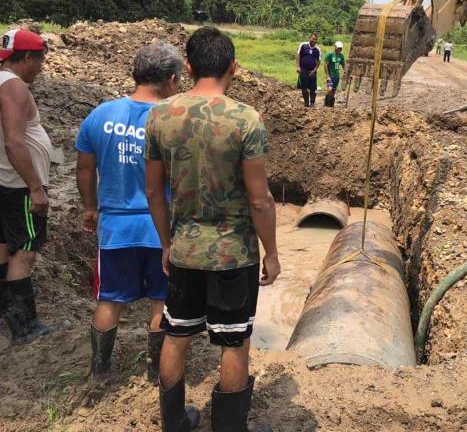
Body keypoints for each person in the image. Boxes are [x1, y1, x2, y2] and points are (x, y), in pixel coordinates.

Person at [145, 27, 280, 431]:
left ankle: (174, 423)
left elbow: (154, 191)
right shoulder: (246, 119)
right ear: (233, 67)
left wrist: (167, 244)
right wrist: (271, 252)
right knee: (234, 340)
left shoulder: (160, 115)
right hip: (234, 255)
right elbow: (260, 199)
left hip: (185, 248)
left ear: (187, 67)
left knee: (176, 334)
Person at [75, 43, 182, 379]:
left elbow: (84, 169)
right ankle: (156, 371)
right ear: (170, 79)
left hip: (115, 230)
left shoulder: (100, 115)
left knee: (109, 300)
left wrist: (91, 207)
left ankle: (100, 370)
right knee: (160, 301)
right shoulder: (173, 121)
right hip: (160, 231)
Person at [0, 29, 51, 344]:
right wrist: (35, 187)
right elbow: (14, 141)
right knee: (26, 251)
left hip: (2, 181)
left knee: (3, 246)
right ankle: (24, 327)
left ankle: (5, 313)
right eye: (41, 59)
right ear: (28, 57)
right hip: (18, 185)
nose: (42, 67)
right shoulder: (14, 87)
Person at [295, 33, 320, 107]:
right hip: (303, 70)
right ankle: (306, 103)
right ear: (310, 38)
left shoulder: (317, 49)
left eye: (315, 39)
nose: (314, 40)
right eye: (313, 38)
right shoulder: (303, 45)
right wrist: (298, 67)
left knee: (313, 89)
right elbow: (298, 55)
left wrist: (314, 70)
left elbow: (319, 61)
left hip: (312, 71)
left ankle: (312, 103)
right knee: (304, 88)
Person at [323, 41, 346, 107]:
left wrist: (345, 71)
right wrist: (327, 75)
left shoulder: (341, 56)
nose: (339, 49)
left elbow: (343, 64)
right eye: (338, 48)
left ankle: (331, 106)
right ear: (335, 47)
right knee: (329, 90)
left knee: (333, 91)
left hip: (337, 76)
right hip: (330, 76)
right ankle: (326, 104)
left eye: (340, 48)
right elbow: (325, 65)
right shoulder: (330, 55)